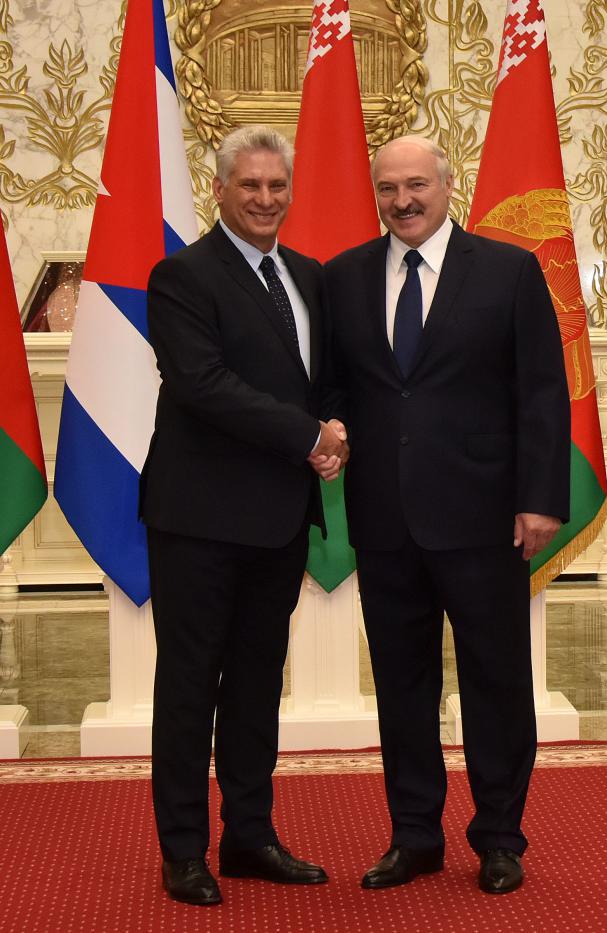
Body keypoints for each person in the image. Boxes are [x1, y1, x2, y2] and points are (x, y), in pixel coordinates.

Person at [321, 136, 570, 894]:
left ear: (447, 186)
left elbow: (541, 390)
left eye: (417, 185)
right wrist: (329, 427)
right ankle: (414, 836)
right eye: (389, 188)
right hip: (384, 518)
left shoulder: (508, 270)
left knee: (497, 681)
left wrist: (541, 498)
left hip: (485, 516)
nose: (403, 201)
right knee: (402, 685)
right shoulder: (343, 277)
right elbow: (334, 385)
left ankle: (499, 836)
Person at [141, 125, 347, 906]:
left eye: (276, 186)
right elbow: (202, 383)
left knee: (258, 683)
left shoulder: (309, 275)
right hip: (198, 518)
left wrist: (337, 425)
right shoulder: (182, 276)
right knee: (190, 684)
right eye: (250, 185)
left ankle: (250, 835)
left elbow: (323, 379)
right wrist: (309, 436)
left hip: (279, 518)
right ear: (219, 189)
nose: (265, 199)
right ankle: (183, 850)